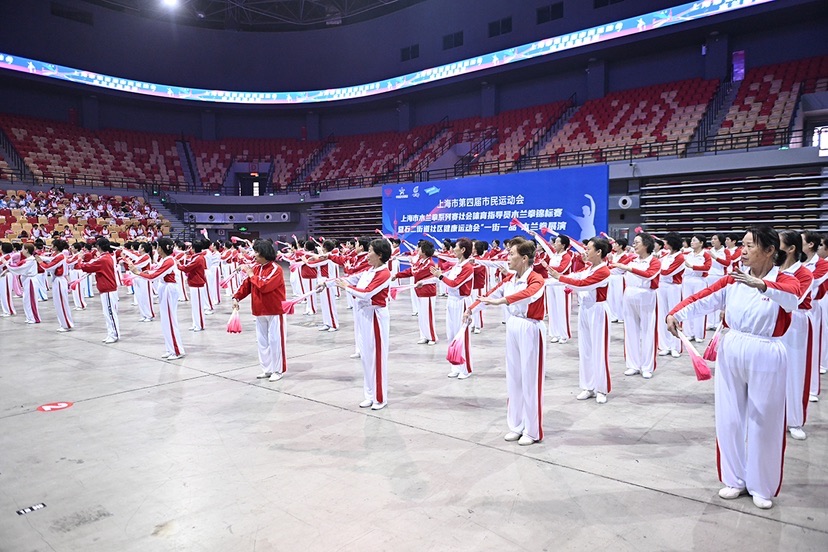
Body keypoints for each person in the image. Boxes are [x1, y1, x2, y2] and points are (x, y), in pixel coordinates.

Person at [667, 227, 799, 510]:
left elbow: (793, 299)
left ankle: (762, 485)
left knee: (764, 421)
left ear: (769, 251)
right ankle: (734, 478)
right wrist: (675, 313)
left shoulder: (785, 279)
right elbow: (703, 298)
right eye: (743, 244)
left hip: (766, 350)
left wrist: (762, 286)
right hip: (732, 347)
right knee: (729, 417)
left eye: (750, 245)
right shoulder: (733, 279)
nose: (743, 249)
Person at [466, 237, 546, 445]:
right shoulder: (509, 279)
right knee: (514, 378)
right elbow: (489, 295)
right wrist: (471, 309)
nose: (507, 257)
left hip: (530, 328)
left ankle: (532, 430)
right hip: (513, 326)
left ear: (524, 258)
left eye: (511, 254)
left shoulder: (536, 278)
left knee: (530, 380)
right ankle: (516, 425)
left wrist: (503, 301)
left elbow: (530, 294)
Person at [549, 237, 612, 404]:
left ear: (599, 252)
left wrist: (559, 277)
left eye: (589, 248)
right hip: (585, 310)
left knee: (599, 350)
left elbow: (582, 284)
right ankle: (588, 386)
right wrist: (543, 283)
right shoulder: (589, 268)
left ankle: (601, 389)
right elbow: (574, 277)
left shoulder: (604, 271)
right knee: (585, 350)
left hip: (598, 311)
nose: (585, 250)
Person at [337, 238, 392, 409]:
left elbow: (367, 294)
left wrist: (345, 287)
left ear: (380, 255)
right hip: (364, 315)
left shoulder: (384, 273)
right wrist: (329, 282)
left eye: (370, 251)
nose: (367, 255)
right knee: (367, 358)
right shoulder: (369, 271)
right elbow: (351, 279)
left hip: (376, 315)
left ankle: (380, 398)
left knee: (377, 358)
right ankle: (369, 394)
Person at [233, 240, 287, 381]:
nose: (254, 255)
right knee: (262, 341)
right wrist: (236, 297)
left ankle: (278, 370)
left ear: (264, 253)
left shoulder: (276, 269)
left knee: (276, 341)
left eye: (256, 252)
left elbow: (264, 286)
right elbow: (247, 285)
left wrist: (251, 274)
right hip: (259, 310)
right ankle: (267, 369)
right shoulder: (256, 268)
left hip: (274, 310)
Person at [777, 230, 813, 441]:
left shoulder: (804, 273)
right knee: (773, 370)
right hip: (773, 319)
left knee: (795, 371)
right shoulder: (772, 269)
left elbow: (794, 300)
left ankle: (794, 420)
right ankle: (773, 416)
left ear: (791, 249)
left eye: (778, 243)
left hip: (796, 321)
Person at [611, 232, 660, 379]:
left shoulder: (655, 261)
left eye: (637, 242)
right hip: (629, 294)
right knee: (630, 330)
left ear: (646, 244)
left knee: (647, 331)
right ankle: (632, 364)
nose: (634, 244)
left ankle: (647, 366)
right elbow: (615, 270)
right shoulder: (631, 259)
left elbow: (649, 275)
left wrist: (628, 268)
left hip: (646, 295)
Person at [128, 237, 185, 359]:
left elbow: (154, 276)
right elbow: (154, 271)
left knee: (170, 320)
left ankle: (177, 350)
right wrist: (146, 272)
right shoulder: (165, 260)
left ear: (163, 248)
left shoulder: (169, 261)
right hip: (165, 288)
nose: (157, 249)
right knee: (165, 321)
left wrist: (138, 273)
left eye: (158, 246)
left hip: (169, 289)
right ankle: (170, 349)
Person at [431, 237, 475, 378]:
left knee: (462, 336)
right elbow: (446, 278)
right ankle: (455, 366)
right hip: (451, 301)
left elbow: (455, 283)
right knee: (451, 335)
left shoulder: (468, 268)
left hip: (461, 303)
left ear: (462, 250)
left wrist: (440, 277)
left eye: (455, 247)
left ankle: (465, 368)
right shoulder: (457, 265)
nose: (453, 249)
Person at [393, 240, 438, 345]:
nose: (417, 250)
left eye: (420, 248)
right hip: (420, 292)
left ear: (425, 251)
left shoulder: (430, 263)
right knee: (422, 316)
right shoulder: (420, 261)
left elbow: (416, 272)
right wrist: (397, 275)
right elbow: (411, 271)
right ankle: (424, 336)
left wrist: (411, 268)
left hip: (428, 293)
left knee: (428, 316)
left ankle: (432, 337)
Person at [78, 238, 120, 343]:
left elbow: (87, 267)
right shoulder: (107, 257)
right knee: (108, 313)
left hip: (108, 289)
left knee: (110, 313)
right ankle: (111, 333)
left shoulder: (103, 259)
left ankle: (114, 335)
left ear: (99, 247)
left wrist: (79, 260)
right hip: (106, 289)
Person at [657, 233, 685, 357]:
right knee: (662, 315)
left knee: (674, 315)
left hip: (673, 287)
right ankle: (665, 345)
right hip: (662, 286)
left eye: (666, 242)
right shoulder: (666, 255)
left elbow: (668, 272)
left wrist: (656, 269)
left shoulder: (680, 258)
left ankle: (676, 346)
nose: (664, 244)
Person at [36, 239, 74, 332]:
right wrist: (39, 257)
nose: (50, 247)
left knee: (61, 303)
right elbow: (49, 259)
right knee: (58, 304)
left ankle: (66, 325)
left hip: (60, 280)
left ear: (56, 247)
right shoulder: (57, 255)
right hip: (57, 280)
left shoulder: (60, 257)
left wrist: (40, 261)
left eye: (52, 245)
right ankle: (63, 323)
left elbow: (48, 267)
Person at [682, 234, 712, 342]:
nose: (692, 242)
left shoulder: (706, 255)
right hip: (687, 281)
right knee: (687, 306)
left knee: (699, 306)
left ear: (701, 243)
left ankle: (699, 334)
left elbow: (707, 267)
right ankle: (689, 333)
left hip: (699, 281)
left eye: (694, 240)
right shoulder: (688, 254)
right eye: (692, 240)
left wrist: (693, 267)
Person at [3, 243, 40, 323]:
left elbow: (18, 268)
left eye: (23, 249)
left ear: (26, 250)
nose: (21, 251)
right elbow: (17, 265)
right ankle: (29, 317)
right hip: (27, 281)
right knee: (26, 300)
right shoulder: (27, 260)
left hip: (30, 281)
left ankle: (33, 318)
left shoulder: (31, 260)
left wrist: (6, 264)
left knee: (31, 300)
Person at [178, 240, 209, 332]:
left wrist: (178, 265)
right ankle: (196, 323)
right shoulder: (197, 256)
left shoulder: (198, 258)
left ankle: (200, 325)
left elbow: (186, 268)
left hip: (198, 284)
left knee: (198, 306)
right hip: (194, 283)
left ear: (194, 248)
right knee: (195, 306)